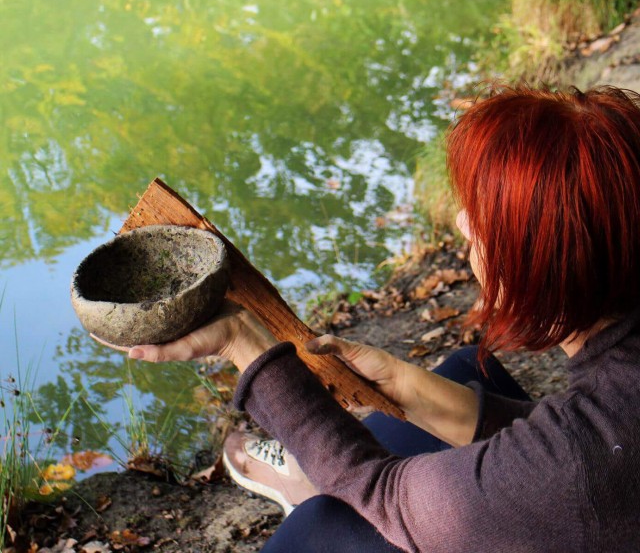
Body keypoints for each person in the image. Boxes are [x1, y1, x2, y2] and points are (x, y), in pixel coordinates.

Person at [127, 85, 640, 552]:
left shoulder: (574, 462)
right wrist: (403, 385)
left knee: (316, 531)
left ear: (542, 266)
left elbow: (389, 497)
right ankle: (316, 477)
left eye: (484, 218)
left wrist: (242, 341)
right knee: (466, 368)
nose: (462, 222)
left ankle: (312, 489)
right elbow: (583, 449)